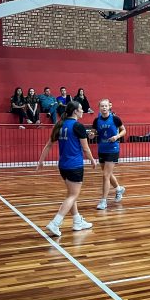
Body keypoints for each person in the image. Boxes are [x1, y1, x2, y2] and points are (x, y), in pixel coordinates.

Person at [36, 100, 97, 237]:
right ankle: (55, 223)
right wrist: (93, 160)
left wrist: (40, 161)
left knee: (70, 194)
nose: (83, 111)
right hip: (74, 165)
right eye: (81, 109)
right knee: (72, 195)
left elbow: (48, 145)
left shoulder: (60, 124)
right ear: (75, 111)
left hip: (63, 166)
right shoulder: (78, 126)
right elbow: (86, 148)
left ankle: (77, 221)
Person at [91, 99, 126, 210]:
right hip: (102, 148)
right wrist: (92, 135)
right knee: (108, 174)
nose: (104, 108)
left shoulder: (115, 119)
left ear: (109, 107)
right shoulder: (96, 120)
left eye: (106, 106)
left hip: (113, 148)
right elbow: (94, 132)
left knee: (105, 175)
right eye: (102, 106)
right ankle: (119, 188)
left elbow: (123, 130)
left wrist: (116, 137)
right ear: (99, 107)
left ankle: (103, 201)